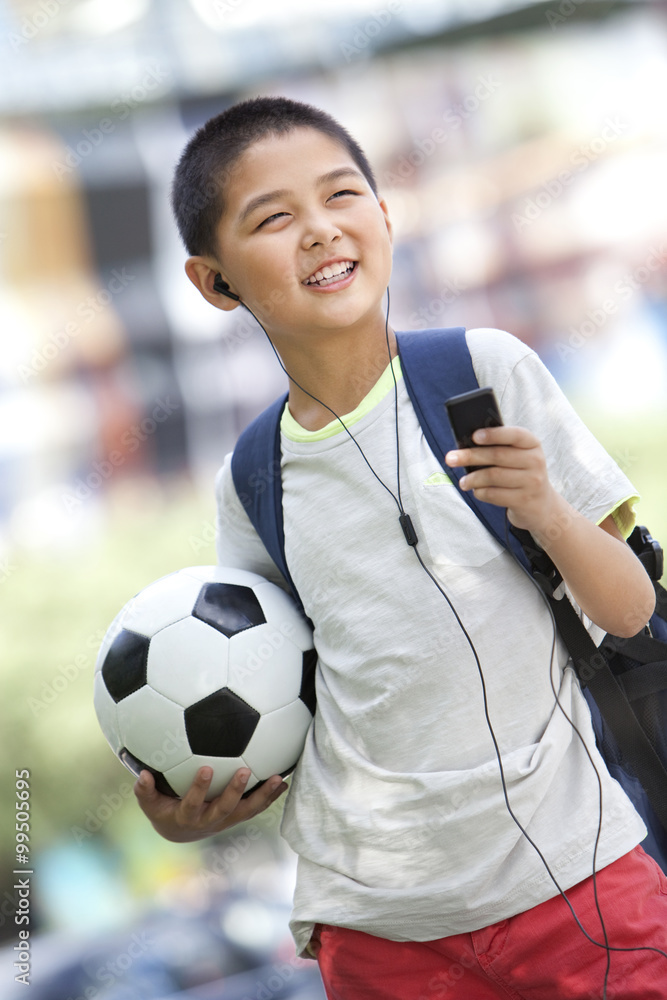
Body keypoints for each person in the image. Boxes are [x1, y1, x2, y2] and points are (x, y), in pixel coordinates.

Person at [134, 96, 667, 998]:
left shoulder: (485, 372)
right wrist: (188, 812)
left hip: (576, 886)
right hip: (378, 930)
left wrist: (548, 510)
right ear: (213, 280)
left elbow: (629, 610)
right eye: (272, 218)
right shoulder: (253, 476)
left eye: (341, 196)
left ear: (382, 218)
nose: (318, 230)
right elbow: (269, 705)